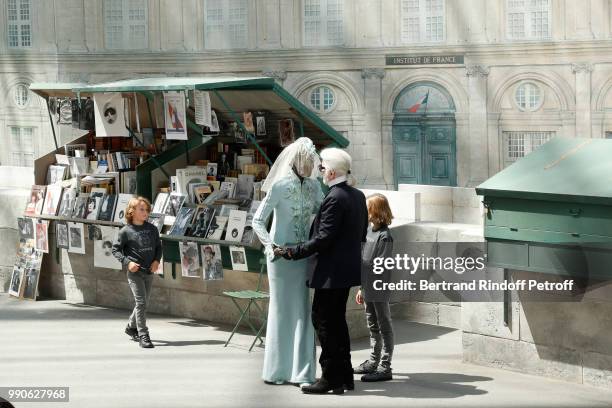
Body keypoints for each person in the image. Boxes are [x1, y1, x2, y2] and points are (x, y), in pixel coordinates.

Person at [279, 148, 368, 395]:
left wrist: (292, 252)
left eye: (321, 169)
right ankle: (344, 377)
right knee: (337, 323)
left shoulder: (335, 197)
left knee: (325, 322)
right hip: (345, 271)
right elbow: (360, 235)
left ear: (330, 171)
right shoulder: (357, 196)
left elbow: (323, 238)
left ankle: (330, 378)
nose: (319, 173)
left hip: (330, 273)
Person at [252, 137, 323, 387]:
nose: (311, 165)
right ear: (295, 160)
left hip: (303, 257)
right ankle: (276, 371)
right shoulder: (280, 186)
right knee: (281, 311)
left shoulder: (315, 187)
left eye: (312, 160)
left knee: (303, 310)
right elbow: (258, 220)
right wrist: (270, 246)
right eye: (307, 160)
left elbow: (326, 214)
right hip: (280, 260)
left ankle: (303, 373)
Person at [354, 193, 395, 382]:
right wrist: (362, 287)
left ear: (375, 211)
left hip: (379, 288)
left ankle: (385, 366)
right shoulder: (369, 232)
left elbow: (380, 265)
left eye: (367, 208)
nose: (364, 212)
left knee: (384, 325)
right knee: (372, 325)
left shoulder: (385, 237)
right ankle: (373, 361)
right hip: (368, 287)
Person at [112, 197, 162, 349]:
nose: (145, 212)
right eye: (142, 209)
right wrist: (128, 263)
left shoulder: (152, 229)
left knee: (143, 303)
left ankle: (130, 327)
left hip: (149, 272)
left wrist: (156, 261)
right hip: (135, 273)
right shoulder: (126, 231)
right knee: (141, 303)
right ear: (131, 211)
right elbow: (116, 250)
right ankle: (143, 335)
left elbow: (158, 247)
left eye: (147, 210)